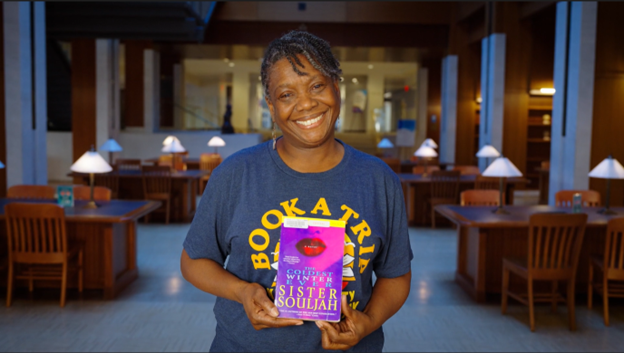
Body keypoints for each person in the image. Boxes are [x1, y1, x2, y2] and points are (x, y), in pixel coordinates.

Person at [180, 30, 412, 352]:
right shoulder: (235, 174)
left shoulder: (378, 179)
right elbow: (193, 261)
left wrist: (368, 322)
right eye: (286, 94)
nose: (306, 103)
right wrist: (242, 292)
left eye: (317, 86)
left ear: (337, 88)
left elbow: (396, 275)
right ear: (272, 106)